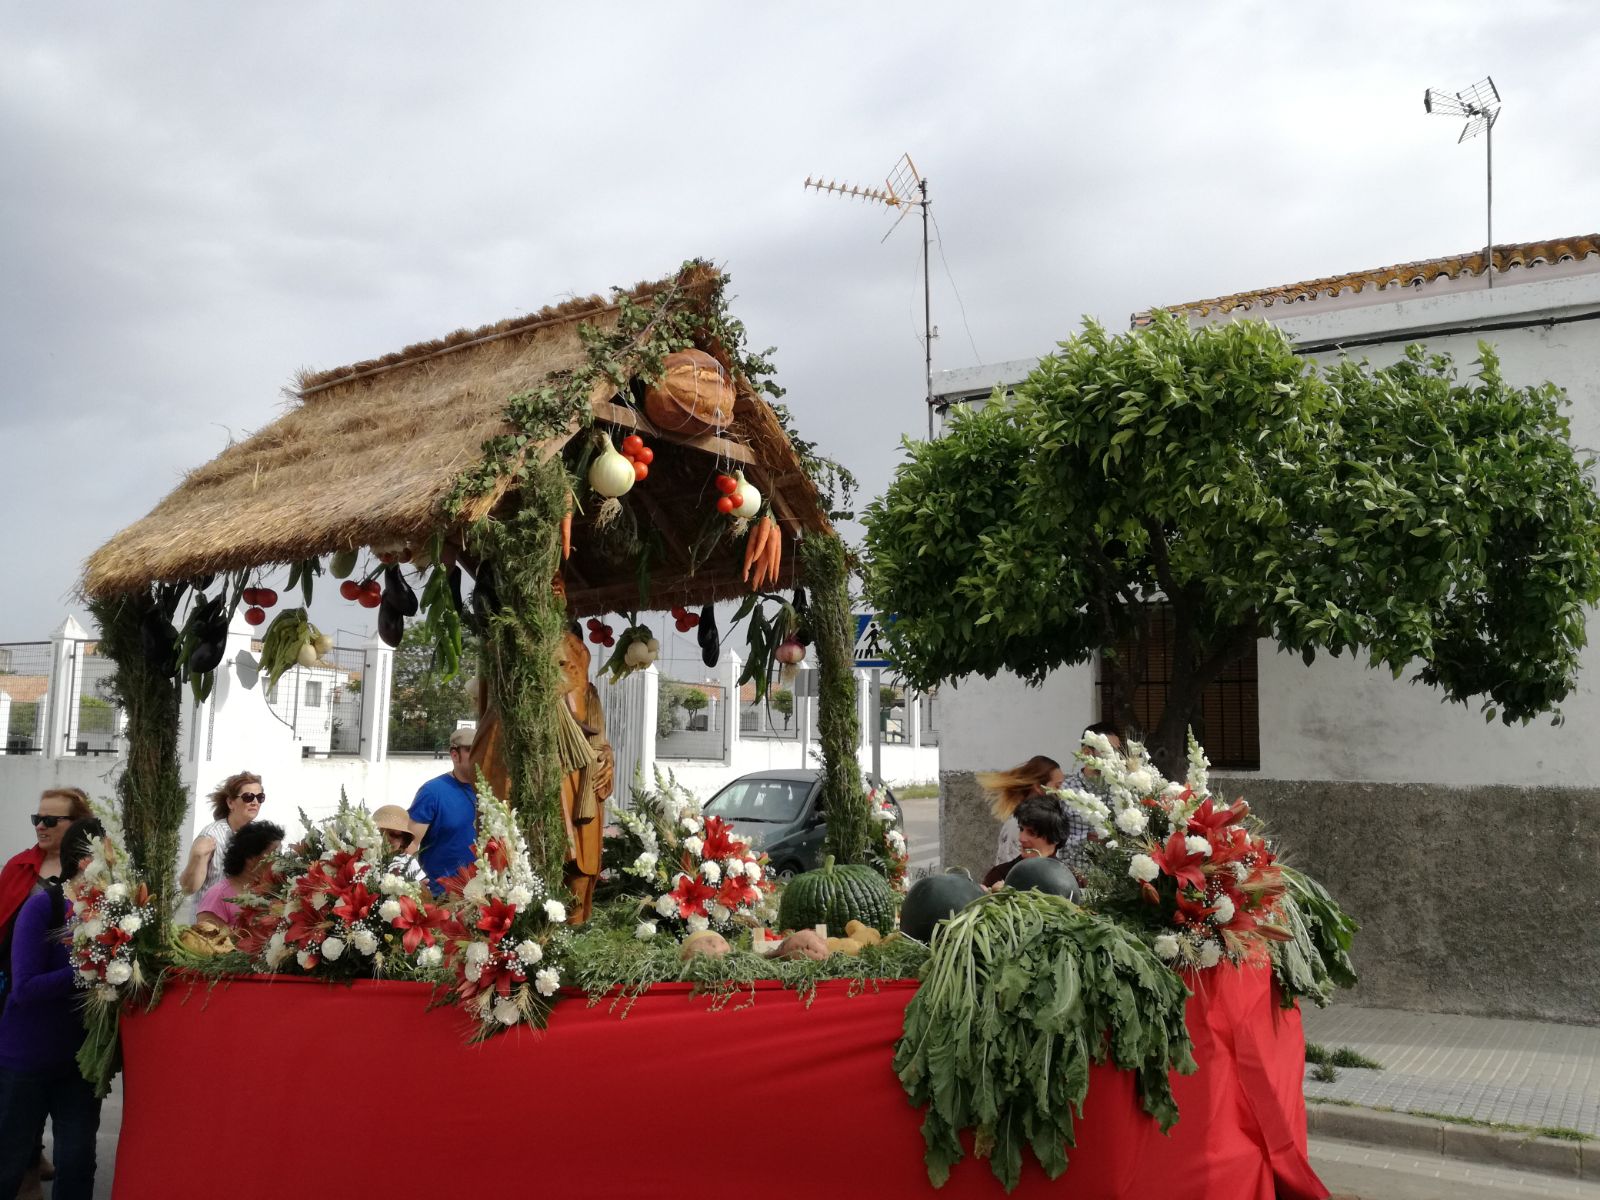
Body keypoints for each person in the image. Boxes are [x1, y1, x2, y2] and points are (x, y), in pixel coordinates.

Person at [0, 816, 107, 1200]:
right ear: (85, 860)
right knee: (8, 1163)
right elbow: (25, 989)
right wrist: (89, 971)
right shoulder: (43, 907)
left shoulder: (109, 914)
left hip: (80, 1061)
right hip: (25, 1059)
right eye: (108, 855)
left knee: (78, 1163)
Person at [1, 789, 93, 1003]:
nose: (40, 826)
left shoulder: (96, 872)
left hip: (77, 994)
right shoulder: (18, 867)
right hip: (21, 989)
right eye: (38, 819)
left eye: (50, 820)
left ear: (76, 824)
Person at [178, 772, 266, 907]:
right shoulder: (211, 836)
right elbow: (188, 888)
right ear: (231, 802)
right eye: (248, 797)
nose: (255, 802)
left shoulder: (262, 836)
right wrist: (197, 857)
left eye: (260, 797)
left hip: (243, 921)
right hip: (210, 921)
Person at [408, 728, 479, 892]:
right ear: (455, 755)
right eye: (470, 750)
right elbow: (408, 843)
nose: (478, 755)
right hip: (441, 899)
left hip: (482, 898)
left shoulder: (490, 790)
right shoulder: (432, 792)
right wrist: (418, 881)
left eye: (480, 749)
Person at [195, 820, 284, 932]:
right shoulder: (217, 895)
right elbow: (207, 943)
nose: (280, 859)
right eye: (275, 853)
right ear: (251, 856)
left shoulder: (275, 892)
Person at [979, 755, 1064, 867]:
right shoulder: (1015, 825)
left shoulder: (1049, 820)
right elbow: (1010, 871)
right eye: (1057, 786)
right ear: (1038, 787)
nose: (1062, 792)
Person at [983, 795, 1066, 888]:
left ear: (1055, 838)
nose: (1021, 838)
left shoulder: (1072, 881)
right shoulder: (999, 876)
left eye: (1032, 833)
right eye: (1021, 829)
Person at [371, 805, 426, 883]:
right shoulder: (362, 858)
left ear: (403, 840)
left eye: (395, 835)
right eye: (379, 834)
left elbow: (421, 889)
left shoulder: (408, 861)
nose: (385, 839)